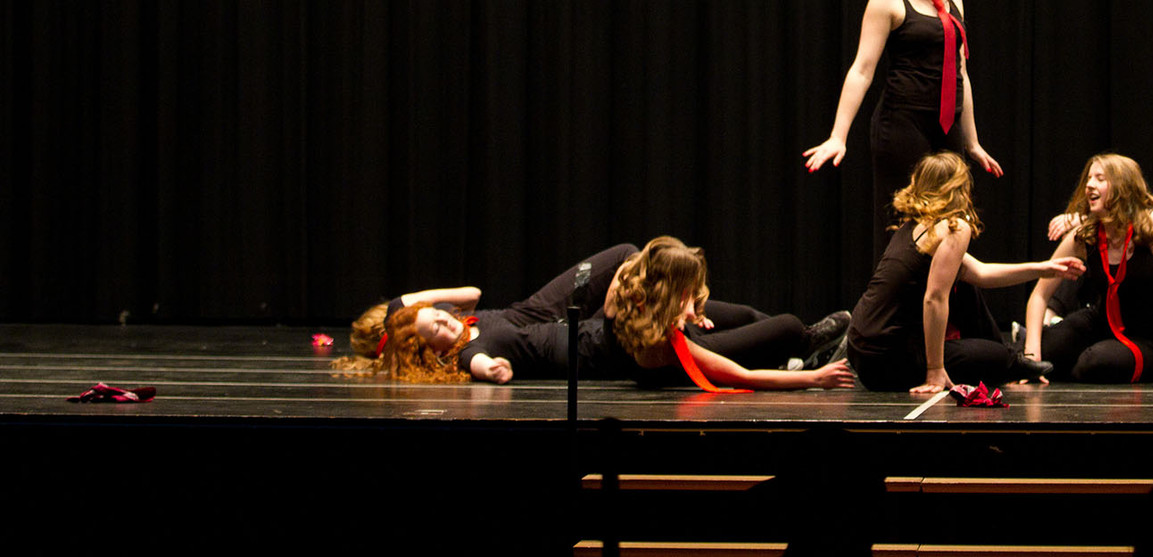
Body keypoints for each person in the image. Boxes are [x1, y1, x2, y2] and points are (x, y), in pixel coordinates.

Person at [334, 242, 848, 385]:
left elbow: (468, 292)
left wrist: (416, 308)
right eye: (437, 326)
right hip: (614, 345)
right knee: (776, 328)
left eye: (438, 313)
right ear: (431, 351)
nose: (447, 318)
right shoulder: (471, 350)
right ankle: (799, 346)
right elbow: (489, 368)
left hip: (550, 314)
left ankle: (799, 344)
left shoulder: (461, 320)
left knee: (626, 253)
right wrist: (491, 371)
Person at [803, 0, 1003, 249]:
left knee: (953, 224)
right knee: (904, 226)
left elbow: (960, 73)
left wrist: (972, 141)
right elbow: (862, 69)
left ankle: (944, 285)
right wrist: (838, 136)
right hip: (903, 123)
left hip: (946, 125)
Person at [847, 152, 1083, 393]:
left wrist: (1044, 268)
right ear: (959, 188)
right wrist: (935, 370)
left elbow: (980, 273)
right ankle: (1008, 361)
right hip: (887, 359)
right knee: (995, 357)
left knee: (968, 290)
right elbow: (934, 298)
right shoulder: (955, 227)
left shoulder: (913, 226)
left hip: (860, 352)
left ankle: (1009, 361)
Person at [1022, 154, 1153, 386]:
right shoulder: (1086, 234)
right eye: (1089, 178)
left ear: (1122, 187)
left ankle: (1068, 363)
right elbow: (1040, 295)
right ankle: (1050, 354)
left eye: (1100, 178)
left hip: (1152, 341)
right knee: (1031, 355)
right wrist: (1031, 355)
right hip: (1101, 324)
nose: (1089, 185)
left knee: (1094, 363)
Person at [607, 237, 856, 391]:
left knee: (746, 315)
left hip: (668, 322)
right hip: (682, 352)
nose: (692, 302)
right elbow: (743, 377)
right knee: (788, 325)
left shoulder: (628, 287)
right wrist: (815, 379)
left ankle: (790, 347)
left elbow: (636, 262)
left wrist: (691, 311)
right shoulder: (665, 346)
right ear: (671, 295)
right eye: (687, 293)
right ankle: (801, 350)